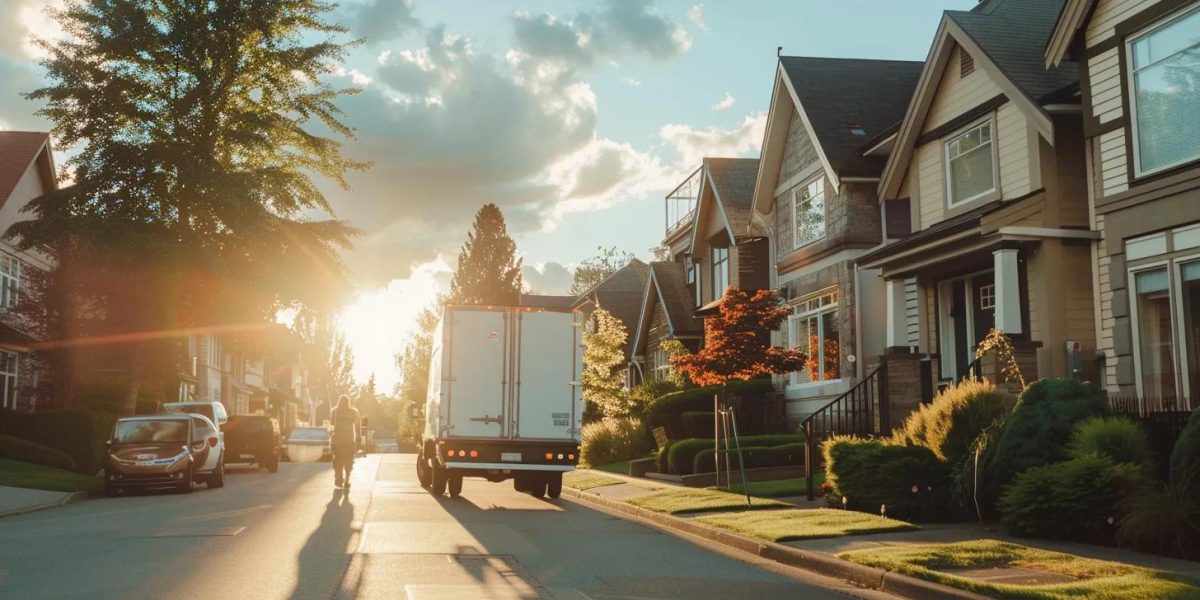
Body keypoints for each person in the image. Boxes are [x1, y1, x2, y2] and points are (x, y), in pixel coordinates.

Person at [330, 394, 360, 489]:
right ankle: (347, 478)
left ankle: (338, 478)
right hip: (349, 440)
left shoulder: (334, 411)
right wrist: (358, 439)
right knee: (348, 461)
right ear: (348, 402)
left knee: (337, 460)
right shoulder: (353, 412)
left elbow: (331, 425)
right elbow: (357, 424)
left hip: (337, 441)